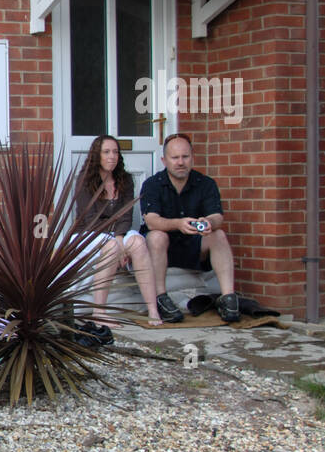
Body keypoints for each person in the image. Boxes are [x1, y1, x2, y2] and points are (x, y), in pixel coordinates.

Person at [140, 133, 239, 323]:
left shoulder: (206, 183)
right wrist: (178, 223)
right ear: (164, 160)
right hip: (162, 248)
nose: (180, 162)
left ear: (193, 157)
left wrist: (209, 222)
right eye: (175, 157)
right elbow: (151, 221)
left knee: (218, 235)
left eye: (185, 157)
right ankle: (161, 297)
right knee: (156, 236)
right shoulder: (152, 184)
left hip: (194, 246)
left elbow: (218, 216)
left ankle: (228, 298)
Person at [74, 135, 163, 328]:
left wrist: (121, 239)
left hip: (117, 233)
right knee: (113, 246)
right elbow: (89, 219)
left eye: (115, 152)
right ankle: (99, 313)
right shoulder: (84, 180)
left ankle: (152, 309)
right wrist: (116, 241)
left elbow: (126, 215)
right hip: (88, 233)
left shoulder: (125, 180)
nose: (111, 156)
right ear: (96, 155)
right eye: (106, 152)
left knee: (138, 243)